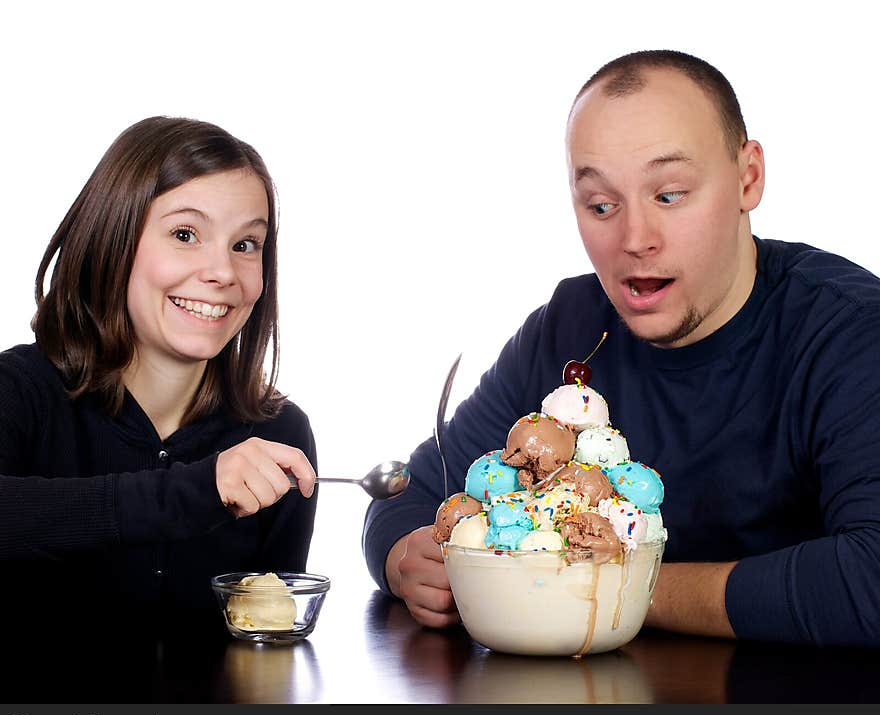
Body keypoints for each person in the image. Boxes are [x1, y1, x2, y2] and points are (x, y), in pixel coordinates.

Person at [362, 50, 880, 648]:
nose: (634, 240)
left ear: (748, 178)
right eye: (601, 205)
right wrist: (407, 560)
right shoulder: (571, 329)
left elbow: (868, 582)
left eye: (670, 194)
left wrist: (617, 587)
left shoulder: (848, 331)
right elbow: (413, 492)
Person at [0, 116, 317, 632]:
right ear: (113, 240)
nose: (222, 272)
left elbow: (266, 637)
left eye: (246, 244)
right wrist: (195, 491)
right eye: (186, 234)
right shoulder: (18, 393)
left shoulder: (279, 435)